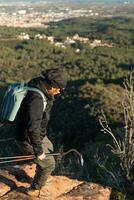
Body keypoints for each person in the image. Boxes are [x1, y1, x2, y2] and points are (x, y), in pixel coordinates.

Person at [15, 68, 67, 197]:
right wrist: (38, 151)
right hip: (27, 138)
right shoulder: (37, 99)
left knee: (49, 149)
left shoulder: (37, 85)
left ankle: (41, 175)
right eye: (59, 88)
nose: (60, 92)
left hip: (37, 134)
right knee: (49, 164)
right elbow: (33, 127)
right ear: (53, 85)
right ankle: (34, 189)